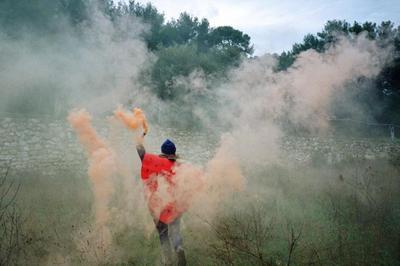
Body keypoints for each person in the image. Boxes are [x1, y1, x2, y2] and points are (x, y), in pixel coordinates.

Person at [136, 134, 187, 266]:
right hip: (176, 205)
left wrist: (139, 138)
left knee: (163, 234)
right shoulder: (180, 167)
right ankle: (179, 249)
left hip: (160, 205)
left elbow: (142, 154)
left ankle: (168, 262)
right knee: (175, 231)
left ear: (163, 153)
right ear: (174, 153)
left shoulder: (155, 163)